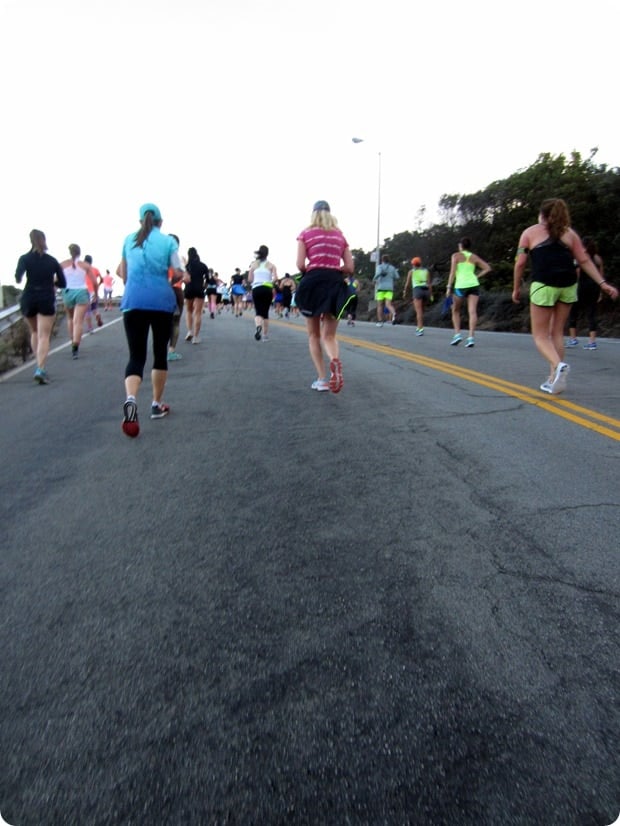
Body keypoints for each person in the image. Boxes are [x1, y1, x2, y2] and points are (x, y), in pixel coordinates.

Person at [513, 198, 617, 394]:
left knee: (541, 336)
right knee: (557, 333)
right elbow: (584, 260)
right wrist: (602, 283)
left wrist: (516, 288)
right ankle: (554, 379)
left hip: (544, 285)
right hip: (568, 286)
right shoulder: (570, 234)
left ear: (542, 215)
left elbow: (520, 263)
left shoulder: (530, 232)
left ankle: (558, 365)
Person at [119, 203, 185, 437]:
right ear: (161, 222)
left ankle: (130, 401)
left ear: (140, 221)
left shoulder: (128, 240)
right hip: (161, 302)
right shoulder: (168, 242)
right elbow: (178, 272)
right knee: (159, 353)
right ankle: (157, 405)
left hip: (133, 301)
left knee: (136, 356)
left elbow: (122, 274)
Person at [295, 200, 354, 392]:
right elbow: (350, 268)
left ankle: (322, 379)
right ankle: (334, 360)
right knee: (329, 335)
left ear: (313, 214)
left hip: (312, 282)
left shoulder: (305, 234)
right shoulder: (340, 237)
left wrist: (314, 266)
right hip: (334, 282)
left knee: (314, 335)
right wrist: (334, 267)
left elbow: (300, 264)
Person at [14, 229, 66, 383]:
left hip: (29, 297)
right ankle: (40, 368)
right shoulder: (52, 261)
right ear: (44, 240)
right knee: (44, 335)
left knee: (35, 331)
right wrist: (52, 282)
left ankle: (38, 363)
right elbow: (62, 283)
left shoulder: (24, 258)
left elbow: (18, 278)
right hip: (45, 297)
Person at [446, 237, 491, 347]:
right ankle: (471, 338)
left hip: (460, 286)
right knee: (472, 311)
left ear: (460, 246)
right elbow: (487, 268)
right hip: (473, 285)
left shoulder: (456, 256)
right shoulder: (473, 257)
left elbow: (452, 273)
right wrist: (477, 276)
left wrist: (448, 287)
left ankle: (457, 334)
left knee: (455, 310)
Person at [567, 237, 604, 350]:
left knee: (573, 312)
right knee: (591, 313)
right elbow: (601, 275)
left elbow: (577, 273)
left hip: (581, 287)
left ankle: (573, 339)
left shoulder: (580, 258)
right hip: (594, 287)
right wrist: (601, 291)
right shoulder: (598, 258)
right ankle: (592, 341)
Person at [59, 243, 94, 359]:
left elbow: (55, 280)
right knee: (78, 321)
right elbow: (94, 282)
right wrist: (97, 294)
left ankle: (72, 340)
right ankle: (75, 346)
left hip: (68, 292)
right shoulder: (85, 265)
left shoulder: (63, 265)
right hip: (81, 292)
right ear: (80, 252)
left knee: (70, 318)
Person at [247, 245, 277, 341]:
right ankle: (265, 336)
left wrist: (257, 280)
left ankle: (258, 326)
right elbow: (275, 278)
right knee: (265, 312)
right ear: (267, 254)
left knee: (258, 311)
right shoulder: (271, 265)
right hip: (267, 288)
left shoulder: (254, 265)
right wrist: (269, 282)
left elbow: (250, 279)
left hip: (256, 288)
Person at [167, 234, 187, 361]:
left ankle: (159, 349)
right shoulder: (181, 259)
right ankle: (171, 351)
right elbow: (185, 277)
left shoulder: (159, 257)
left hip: (161, 291)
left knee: (161, 322)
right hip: (177, 291)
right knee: (175, 323)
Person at [184, 247, 208, 344]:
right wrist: (204, 287)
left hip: (189, 289)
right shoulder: (203, 266)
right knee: (198, 313)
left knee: (189, 311)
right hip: (199, 289)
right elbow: (208, 279)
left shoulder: (186, 266)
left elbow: (183, 278)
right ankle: (196, 337)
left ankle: (189, 331)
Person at [403, 256, 432, 335]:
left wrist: (405, 292)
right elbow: (429, 283)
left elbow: (407, 284)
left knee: (418, 311)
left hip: (417, 290)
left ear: (413, 264)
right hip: (425, 290)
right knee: (422, 310)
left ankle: (420, 329)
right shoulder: (426, 271)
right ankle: (419, 326)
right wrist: (431, 294)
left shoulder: (411, 271)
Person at [373, 254, 400, 326]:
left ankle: (380, 321)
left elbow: (378, 273)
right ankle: (394, 313)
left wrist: (374, 279)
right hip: (389, 288)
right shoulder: (392, 268)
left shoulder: (380, 267)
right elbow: (397, 277)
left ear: (382, 260)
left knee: (379, 305)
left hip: (381, 288)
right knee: (388, 304)